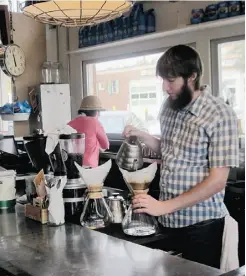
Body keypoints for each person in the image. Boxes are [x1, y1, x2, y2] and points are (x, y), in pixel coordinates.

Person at [123, 45, 239, 268]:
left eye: (171, 80)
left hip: (202, 227)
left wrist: (164, 206)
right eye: (163, 81)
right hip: (167, 223)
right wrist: (142, 136)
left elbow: (217, 182)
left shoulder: (219, 114)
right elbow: (170, 151)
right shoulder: (169, 106)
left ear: (192, 76)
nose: (165, 88)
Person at [68, 95, 109, 168]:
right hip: (89, 166)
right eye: (98, 112)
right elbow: (105, 145)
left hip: (72, 166)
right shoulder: (95, 123)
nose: (99, 115)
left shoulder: (70, 124)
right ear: (95, 112)